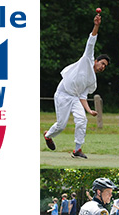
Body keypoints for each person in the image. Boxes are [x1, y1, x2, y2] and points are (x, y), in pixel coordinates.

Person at [43, 14, 105, 159]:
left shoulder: (93, 81)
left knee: (82, 120)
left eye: (105, 66)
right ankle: (48, 135)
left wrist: (89, 110)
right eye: (102, 63)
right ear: (96, 61)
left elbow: (83, 96)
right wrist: (96, 25)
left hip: (75, 98)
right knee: (61, 125)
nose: (102, 66)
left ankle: (77, 149)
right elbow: (91, 42)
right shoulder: (87, 59)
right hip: (63, 94)